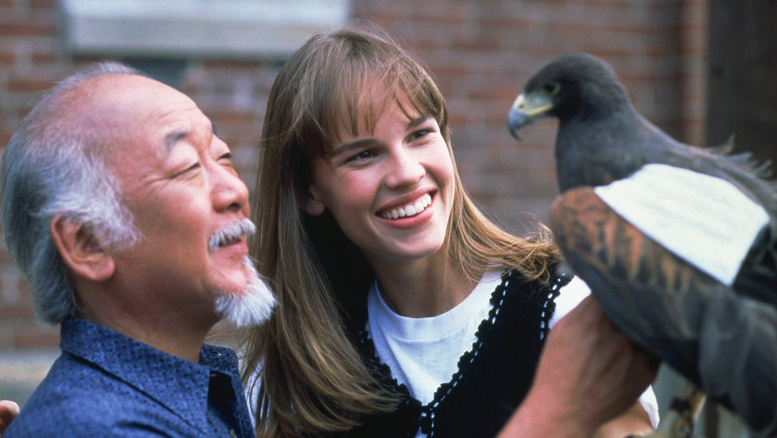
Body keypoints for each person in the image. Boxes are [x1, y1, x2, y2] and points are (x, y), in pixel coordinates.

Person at [242, 23, 659, 437]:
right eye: (364, 155)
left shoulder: (568, 311)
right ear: (308, 191)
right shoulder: (294, 371)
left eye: (420, 134)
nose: (406, 173)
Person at [0, 62, 276, 437]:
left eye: (222, 157)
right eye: (188, 167)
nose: (235, 191)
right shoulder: (105, 429)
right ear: (88, 243)